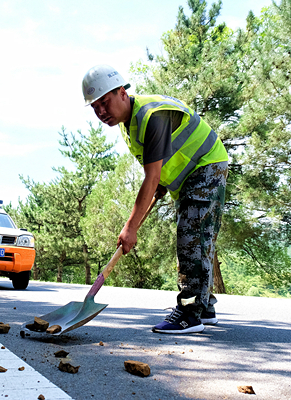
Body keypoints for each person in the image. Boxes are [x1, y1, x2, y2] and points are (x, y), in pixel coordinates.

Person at [82, 64, 229, 334]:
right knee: (199, 239)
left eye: (105, 102)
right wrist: (160, 183)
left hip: (206, 167)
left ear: (122, 93)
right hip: (190, 177)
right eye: (95, 107)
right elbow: (157, 170)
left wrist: (130, 227)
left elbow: (150, 176)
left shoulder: (152, 116)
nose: (101, 112)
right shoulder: (129, 124)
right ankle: (204, 307)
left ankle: (189, 313)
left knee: (191, 239)